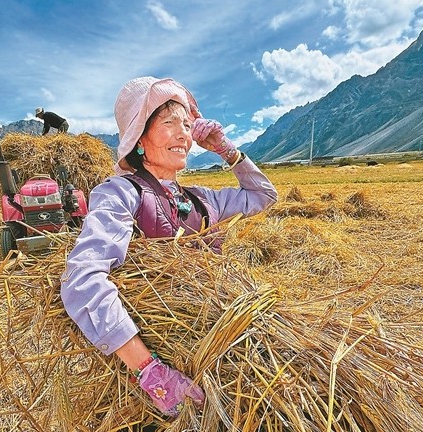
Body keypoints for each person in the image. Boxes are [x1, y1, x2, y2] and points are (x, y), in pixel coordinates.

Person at [60, 77, 278, 421]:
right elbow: (82, 278)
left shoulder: (202, 200)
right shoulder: (120, 194)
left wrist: (226, 149)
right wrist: (150, 371)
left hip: (225, 355)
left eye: (188, 126)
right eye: (168, 122)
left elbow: (264, 196)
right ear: (140, 140)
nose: (183, 134)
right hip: (160, 376)